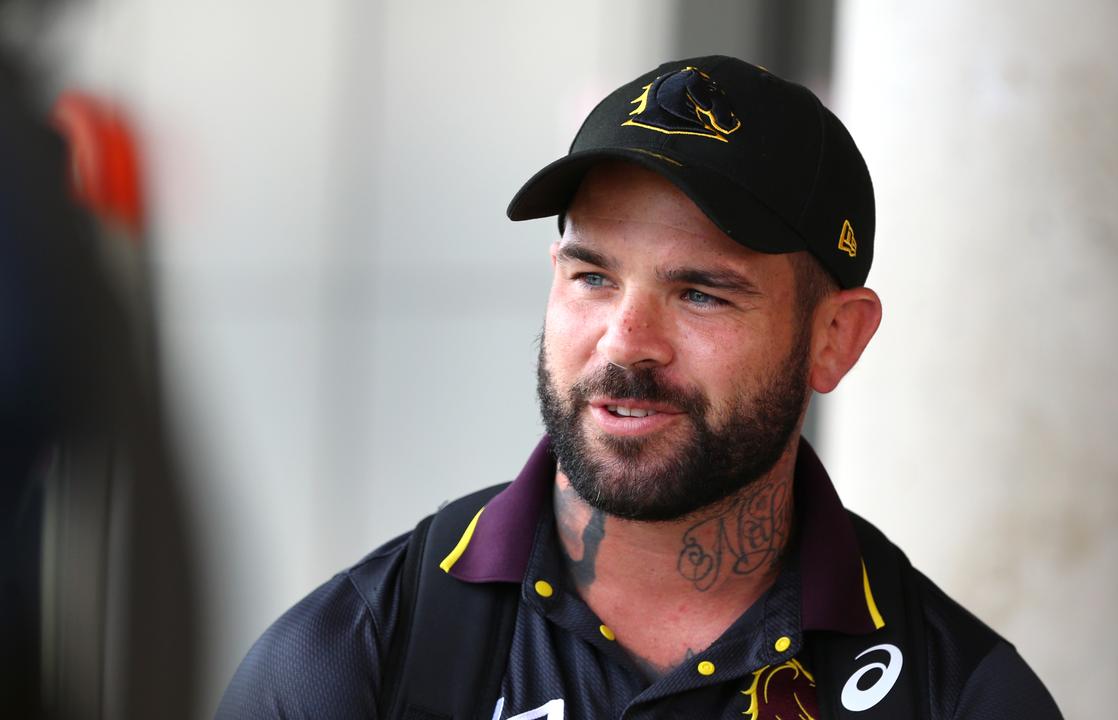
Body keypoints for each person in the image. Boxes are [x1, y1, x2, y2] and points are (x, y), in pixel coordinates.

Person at [217, 55, 1062, 720]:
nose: (626, 342)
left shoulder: (958, 697)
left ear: (834, 338)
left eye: (700, 292)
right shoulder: (352, 660)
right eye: (592, 278)